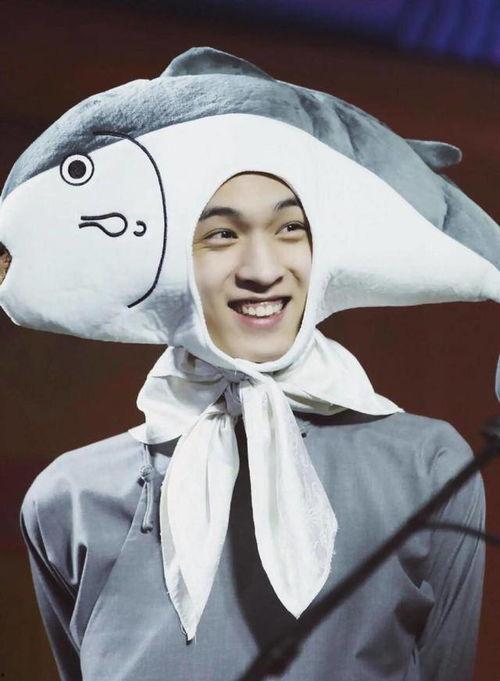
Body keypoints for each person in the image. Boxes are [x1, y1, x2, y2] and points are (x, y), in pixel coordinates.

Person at [1, 46, 496, 680]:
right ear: (172, 261)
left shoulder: (428, 467)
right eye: (221, 235)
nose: (263, 271)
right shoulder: (68, 497)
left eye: (291, 229)